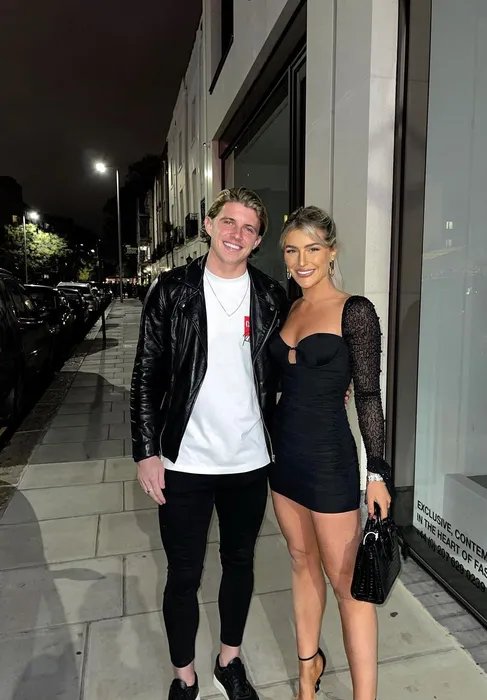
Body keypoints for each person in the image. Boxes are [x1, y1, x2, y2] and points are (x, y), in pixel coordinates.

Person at [130, 187, 288, 700]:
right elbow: (147, 373)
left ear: (258, 240)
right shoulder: (172, 289)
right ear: (209, 225)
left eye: (248, 228)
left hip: (248, 461)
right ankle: (185, 677)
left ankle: (228, 661)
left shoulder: (271, 295)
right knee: (183, 574)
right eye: (228, 222)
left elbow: (286, 365)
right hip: (185, 461)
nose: (236, 234)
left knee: (240, 563)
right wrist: (146, 451)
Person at [268, 206, 393, 700]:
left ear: (332, 252)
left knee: (348, 586)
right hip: (284, 458)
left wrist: (377, 472)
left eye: (313, 248)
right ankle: (307, 676)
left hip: (329, 461)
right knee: (301, 561)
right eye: (292, 250)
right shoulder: (287, 308)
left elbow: (368, 396)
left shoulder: (354, 311)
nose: (302, 261)